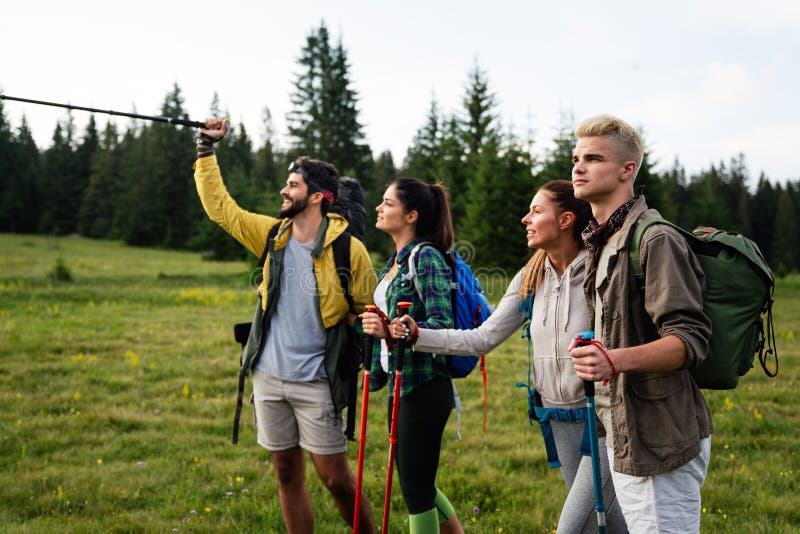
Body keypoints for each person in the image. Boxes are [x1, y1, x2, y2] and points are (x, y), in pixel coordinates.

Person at [393, 180, 627, 533]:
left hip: (604, 419)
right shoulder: (529, 277)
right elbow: (482, 338)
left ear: (565, 220)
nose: (525, 219)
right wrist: (417, 335)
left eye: (536, 211)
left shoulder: (600, 270)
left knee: (572, 528)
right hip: (557, 417)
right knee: (606, 524)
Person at [193, 118, 377, 533]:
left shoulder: (351, 250)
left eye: (292, 185)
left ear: (318, 197)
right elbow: (222, 209)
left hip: (318, 381)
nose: (284, 190)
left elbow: (366, 312)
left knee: (335, 479)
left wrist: (369, 341)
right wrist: (206, 148)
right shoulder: (272, 236)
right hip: (269, 377)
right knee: (286, 473)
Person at [568, 114, 713, 533]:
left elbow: (690, 339)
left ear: (627, 170)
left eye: (593, 158)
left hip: (660, 437)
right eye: (575, 158)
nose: (578, 167)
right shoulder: (604, 237)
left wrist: (612, 360)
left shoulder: (654, 239)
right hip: (625, 429)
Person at [360, 178, 464, 534]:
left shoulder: (426, 257)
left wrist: (389, 330)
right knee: (416, 480)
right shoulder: (394, 262)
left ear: (411, 215)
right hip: (400, 384)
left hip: (425, 385)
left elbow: (441, 324)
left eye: (388, 203)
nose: (379, 207)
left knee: (415, 490)